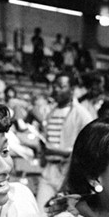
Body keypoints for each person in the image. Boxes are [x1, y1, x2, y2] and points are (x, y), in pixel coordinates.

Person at [36, 73, 94, 208]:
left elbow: (88, 149)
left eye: (61, 86)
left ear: (72, 89)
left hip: (69, 173)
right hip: (49, 170)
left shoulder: (82, 114)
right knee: (41, 214)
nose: (56, 89)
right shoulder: (51, 112)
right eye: (55, 86)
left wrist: (58, 151)